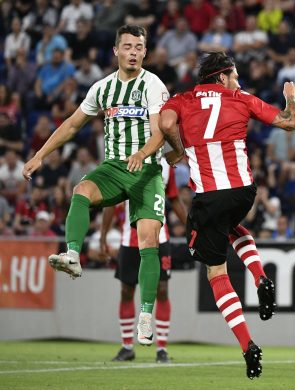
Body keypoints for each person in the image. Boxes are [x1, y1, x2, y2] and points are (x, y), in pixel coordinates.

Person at [21, 25, 185, 347]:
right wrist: (40, 155)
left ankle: (146, 316)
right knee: (80, 191)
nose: (133, 52)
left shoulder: (153, 85)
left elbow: (160, 132)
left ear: (145, 52)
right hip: (114, 168)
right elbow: (72, 125)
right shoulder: (102, 88)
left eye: (139, 47)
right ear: (116, 50)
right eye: (128, 46)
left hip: (147, 170)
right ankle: (72, 254)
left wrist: (142, 153)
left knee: (148, 239)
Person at [159, 51, 295, 379]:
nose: (238, 81)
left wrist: (179, 149)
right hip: (244, 191)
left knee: (216, 272)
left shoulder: (182, 99)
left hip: (209, 196)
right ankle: (260, 276)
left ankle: (247, 345)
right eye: (234, 76)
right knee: (231, 226)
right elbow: (289, 122)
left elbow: (165, 124)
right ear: (222, 77)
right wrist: (291, 98)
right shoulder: (241, 98)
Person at [103, 159, 187, 363]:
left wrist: (192, 228)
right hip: (129, 239)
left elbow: (174, 199)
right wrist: (103, 234)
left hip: (159, 237)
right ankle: (127, 347)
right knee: (126, 291)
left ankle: (162, 349)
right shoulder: (124, 160)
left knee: (162, 289)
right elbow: (111, 201)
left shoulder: (166, 165)